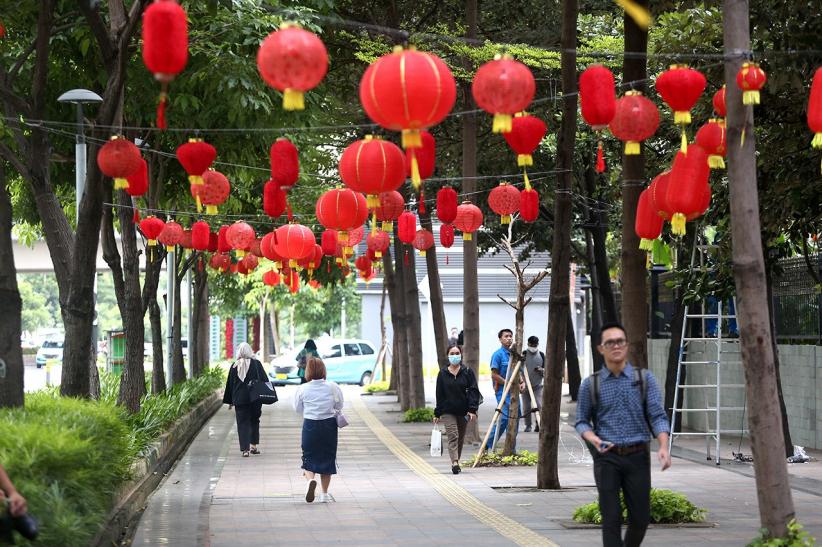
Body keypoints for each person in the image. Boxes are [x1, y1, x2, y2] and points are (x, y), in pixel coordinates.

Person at [575, 322, 672, 547]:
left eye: (620, 341)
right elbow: (581, 422)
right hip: (606, 457)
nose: (616, 346)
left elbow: (658, 416)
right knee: (611, 518)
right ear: (601, 348)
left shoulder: (644, 379)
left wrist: (664, 447)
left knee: (640, 518)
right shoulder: (591, 384)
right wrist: (593, 439)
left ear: (626, 346)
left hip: (637, 455)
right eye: (610, 342)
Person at [293, 357, 344, 503]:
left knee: (309, 456)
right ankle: (324, 494)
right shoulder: (333, 386)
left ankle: (310, 481)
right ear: (323, 370)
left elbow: (297, 409)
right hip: (329, 426)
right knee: (327, 457)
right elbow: (339, 405)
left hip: (310, 425)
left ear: (307, 371)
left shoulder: (302, 388)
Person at [433, 345, 481, 474]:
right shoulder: (442, 373)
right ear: (448, 356)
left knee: (460, 437)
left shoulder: (467, 371)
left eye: (457, 353)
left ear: (461, 354)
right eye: (452, 353)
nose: (455, 356)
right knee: (453, 435)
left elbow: (473, 391)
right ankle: (454, 462)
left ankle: (456, 461)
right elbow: (439, 394)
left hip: (463, 411)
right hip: (448, 411)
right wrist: (437, 413)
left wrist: (472, 409)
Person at [223, 342, 269, 457]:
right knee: (254, 420)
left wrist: (230, 401)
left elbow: (230, 385)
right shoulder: (257, 364)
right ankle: (253, 446)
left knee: (242, 423)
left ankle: (245, 450)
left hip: (240, 399)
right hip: (255, 399)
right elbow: (265, 380)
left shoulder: (235, 365)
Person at [486, 328, 523, 451]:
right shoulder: (497, 355)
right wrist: (510, 383)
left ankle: (511, 448)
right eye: (506, 336)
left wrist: (522, 383)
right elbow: (494, 375)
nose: (509, 338)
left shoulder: (515, 354)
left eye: (510, 336)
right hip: (502, 391)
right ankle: (489, 443)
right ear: (500, 339)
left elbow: (520, 372)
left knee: (516, 417)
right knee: (505, 418)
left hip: (515, 392)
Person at [521, 336, 545, 433]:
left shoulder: (542, 355)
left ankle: (539, 424)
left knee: (538, 405)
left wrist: (541, 370)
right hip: (525, 386)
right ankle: (528, 426)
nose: (533, 346)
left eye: (534, 345)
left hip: (537, 386)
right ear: (528, 344)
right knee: (526, 407)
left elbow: (546, 371)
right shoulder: (524, 354)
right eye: (531, 345)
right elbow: (519, 369)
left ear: (537, 344)